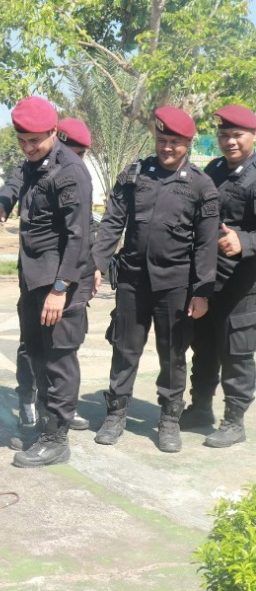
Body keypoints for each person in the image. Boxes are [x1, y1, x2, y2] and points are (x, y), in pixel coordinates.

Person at [92, 106, 219, 453]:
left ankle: (169, 419)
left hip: (175, 285)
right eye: (162, 140)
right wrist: (97, 263)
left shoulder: (200, 185)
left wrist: (202, 291)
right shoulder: (135, 174)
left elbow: (207, 244)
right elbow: (113, 220)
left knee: (173, 355)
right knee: (124, 350)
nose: (166, 148)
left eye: (174, 143)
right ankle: (116, 414)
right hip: (133, 281)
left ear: (187, 144)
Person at [0, 97, 93, 468]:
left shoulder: (70, 172)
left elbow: (78, 237)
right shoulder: (34, 163)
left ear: (53, 132)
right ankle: (47, 425)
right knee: (38, 356)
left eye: (35, 140)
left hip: (59, 285)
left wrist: (61, 289)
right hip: (32, 280)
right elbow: (16, 180)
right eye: (22, 140)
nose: (28, 148)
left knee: (59, 360)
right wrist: (1, 203)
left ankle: (56, 439)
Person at [183, 105, 256, 447]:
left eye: (237, 135)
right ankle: (200, 409)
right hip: (208, 280)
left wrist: (243, 240)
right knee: (204, 346)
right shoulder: (213, 170)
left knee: (236, 351)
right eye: (224, 135)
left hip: (242, 284)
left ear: (252, 137)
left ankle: (234, 421)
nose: (229, 141)